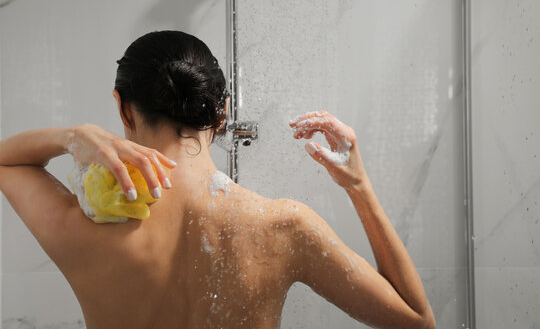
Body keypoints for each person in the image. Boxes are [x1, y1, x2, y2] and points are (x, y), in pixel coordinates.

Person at [0, 30, 435, 329]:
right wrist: (358, 186)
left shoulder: (81, 228)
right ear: (221, 113)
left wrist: (73, 136)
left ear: (123, 109)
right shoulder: (285, 227)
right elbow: (417, 321)